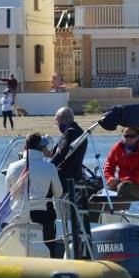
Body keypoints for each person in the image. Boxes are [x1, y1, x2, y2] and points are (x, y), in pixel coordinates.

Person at [4, 133, 64, 258]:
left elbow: (8, 192)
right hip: (43, 216)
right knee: (48, 252)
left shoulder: (12, 167)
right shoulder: (49, 167)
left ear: (25, 147)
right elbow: (58, 192)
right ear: (42, 148)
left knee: (18, 252)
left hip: (18, 215)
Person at [50, 106, 89, 258]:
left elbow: (60, 156)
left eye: (58, 122)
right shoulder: (81, 132)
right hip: (76, 178)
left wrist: (47, 166)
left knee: (62, 217)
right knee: (70, 216)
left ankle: (66, 247)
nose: (58, 126)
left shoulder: (69, 133)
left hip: (64, 182)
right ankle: (70, 246)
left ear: (63, 122)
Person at [103, 127, 139, 201]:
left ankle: (113, 207)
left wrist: (120, 181)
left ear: (138, 137)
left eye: (132, 136)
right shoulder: (117, 147)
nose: (128, 139)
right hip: (120, 184)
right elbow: (109, 166)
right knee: (99, 192)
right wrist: (110, 178)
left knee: (123, 187)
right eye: (126, 136)